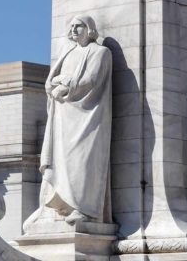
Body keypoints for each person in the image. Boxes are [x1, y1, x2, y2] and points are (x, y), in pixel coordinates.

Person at [35, 15, 113, 226]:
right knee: (63, 161)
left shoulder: (100, 52)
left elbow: (92, 80)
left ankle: (85, 208)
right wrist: (57, 85)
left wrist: (65, 84)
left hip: (88, 115)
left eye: (79, 26)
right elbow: (51, 81)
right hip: (63, 116)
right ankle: (63, 205)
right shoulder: (68, 52)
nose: (74, 30)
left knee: (83, 160)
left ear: (89, 28)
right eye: (72, 27)